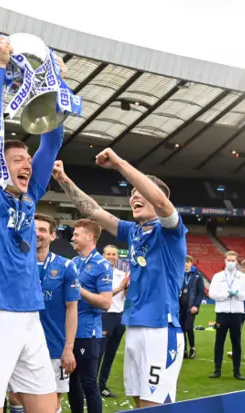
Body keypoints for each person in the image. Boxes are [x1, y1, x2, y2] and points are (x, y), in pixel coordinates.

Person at [0, 35, 65, 413]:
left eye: (27, 158)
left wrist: (56, 88)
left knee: (46, 408)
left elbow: (52, 142)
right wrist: (1, 68)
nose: (27, 164)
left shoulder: (30, 196)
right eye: (18, 158)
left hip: (29, 315)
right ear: (0, 165)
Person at [52, 151, 186, 409]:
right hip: (135, 324)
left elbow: (159, 200)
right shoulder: (134, 232)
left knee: (154, 402)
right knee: (139, 401)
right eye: (131, 194)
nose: (134, 196)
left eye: (140, 192)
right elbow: (94, 212)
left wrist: (120, 164)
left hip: (160, 327)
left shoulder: (171, 230)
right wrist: (64, 180)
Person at [35, 213, 80, 413]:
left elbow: (72, 309)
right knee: (17, 397)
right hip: (20, 343)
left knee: (54, 399)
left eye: (43, 230)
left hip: (53, 344)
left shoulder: (66, 266)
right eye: (33, 229)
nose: (37, 234)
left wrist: (68, 348)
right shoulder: (16, 263)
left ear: (53, 236)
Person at [68, 219, 112, 413]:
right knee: (71, 382)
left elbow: (106, 302)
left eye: (76, 234)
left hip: (87, 333)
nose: (72, 238)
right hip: (69, 332)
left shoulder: (102, 265)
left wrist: (80, 290)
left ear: (89, 236)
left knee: (88, 383)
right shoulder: (74, 263)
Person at [208, 251, 245, 380]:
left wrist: (236, 294)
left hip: (237, 314)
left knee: (236, 342)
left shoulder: (242, 277)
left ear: (237, 262)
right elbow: (212, 294)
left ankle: (237, 371)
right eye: (229, 260)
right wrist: (226, 295)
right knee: (219, 342)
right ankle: (217, 369)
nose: (231, 262)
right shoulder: (217, 276)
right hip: (222, 313)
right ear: (225, 260)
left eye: (233, 260)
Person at [97, 245, 128, 398]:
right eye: (108, 253)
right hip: (105, 316)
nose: (111, 256)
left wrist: (127, 289)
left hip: (119, 317)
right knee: (98, 354)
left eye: (114, 254)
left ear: (117, 257)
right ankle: (89, 387)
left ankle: (102, 385)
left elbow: (127, 296)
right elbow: (105, 296)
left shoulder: (122, 274)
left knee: (110, 355)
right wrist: (120, 288)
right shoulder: (98, 272)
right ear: (103, 255)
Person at [180, 256, 204, 360]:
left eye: (187, 262)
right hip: (180, 306)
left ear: (191, 263)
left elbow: (200, 292)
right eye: (184, 262)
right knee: (181, 329)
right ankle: (184, 349)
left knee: (188, 327)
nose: (185, 264)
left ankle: (192, 348)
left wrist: (196, 305)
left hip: (191, 306)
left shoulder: (197, 275)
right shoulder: (179, 274)